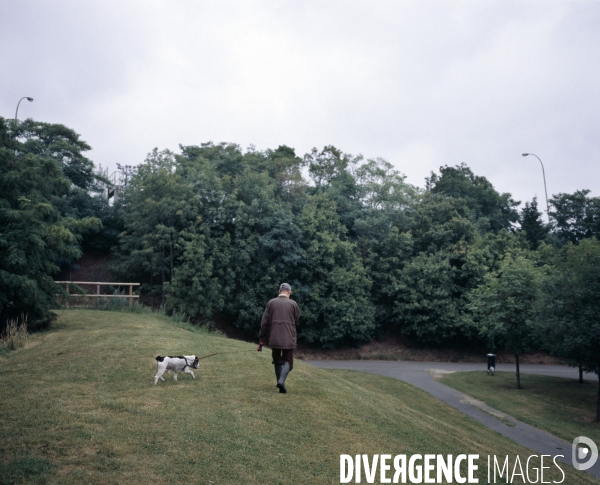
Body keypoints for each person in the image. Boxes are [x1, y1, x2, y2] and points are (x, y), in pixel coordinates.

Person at [258, 283, 300, 393]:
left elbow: (264, 323)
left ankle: (280, 383)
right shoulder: (293, 304)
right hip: (288, 338)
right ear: (289, 292)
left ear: (279, 290)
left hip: (274, 337)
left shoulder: (271, 303)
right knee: (288, 361)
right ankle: (281, 381)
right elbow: (296, 317)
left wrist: (262, 339)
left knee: (277, 360)